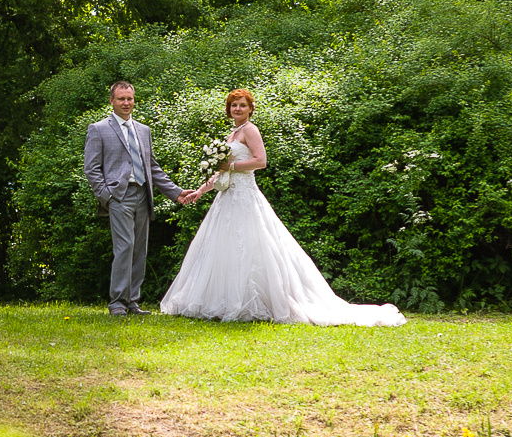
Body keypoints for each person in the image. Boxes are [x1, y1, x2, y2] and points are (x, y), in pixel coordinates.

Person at [160, 89, 405, 326]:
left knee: (251, 247)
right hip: (227, 199)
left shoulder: (250, 130)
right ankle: (224, 302)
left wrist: (231, 168)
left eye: (242, 105)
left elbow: (260, 161)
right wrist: (200, 191)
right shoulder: (231, 135)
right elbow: (220, 172)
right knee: (223, 249)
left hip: (246, 198)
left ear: (250, 109)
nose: (237, 108)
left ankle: (253, 302)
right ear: (228, 109)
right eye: (234, 105)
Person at [83, 80, 192, 316]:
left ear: (134, 100)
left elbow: (152, 168)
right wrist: (107, 197)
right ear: (111, 101)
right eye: (121, 99)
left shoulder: (143, 130)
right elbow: (91, 169)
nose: (126, 103)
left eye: (129, 98)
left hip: (143, 194)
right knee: (125, 246)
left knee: (139, 249)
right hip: (119, 196)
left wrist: (176, 192)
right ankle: (117, 303)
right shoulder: (99, 128)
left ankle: (132, 301)